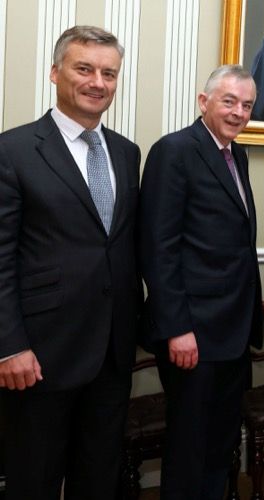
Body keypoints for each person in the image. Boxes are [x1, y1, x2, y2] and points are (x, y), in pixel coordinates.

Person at [0, 25, 141, 500]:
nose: (97, 82)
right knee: (34, 480)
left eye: (109, 73)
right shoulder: (13, 151)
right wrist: (9, 346)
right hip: (40, 355)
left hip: (112, 352)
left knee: (98, 477)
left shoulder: (126, 153)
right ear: (55, 73)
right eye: (84, 69)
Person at [138, 65, 263, 500]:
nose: (238, 112)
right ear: (203, 101)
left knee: (219, 440)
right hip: (193, 331)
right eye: (229, 101)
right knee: (190, 444)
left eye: (246, 104)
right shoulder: (175, 151)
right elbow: (158, 247)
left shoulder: (237, 154)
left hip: (231, 331)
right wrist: (177, 327)